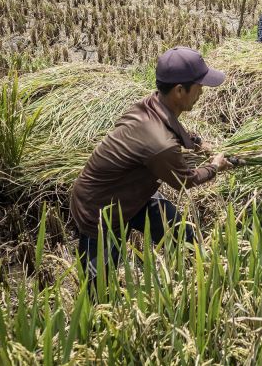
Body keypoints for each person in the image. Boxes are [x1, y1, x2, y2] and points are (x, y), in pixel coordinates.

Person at [70, 47, 236, 280]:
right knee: (99, 285)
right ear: (179, 91)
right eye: (199, 86)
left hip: (133, 195)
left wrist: (196, 143)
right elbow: (185, 180)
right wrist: (215, 166)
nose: (202, 92)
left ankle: (195, 279)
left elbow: (170, 128)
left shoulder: (151, 104)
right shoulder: (161, 145)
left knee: (182, 236)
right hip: (100, 210)